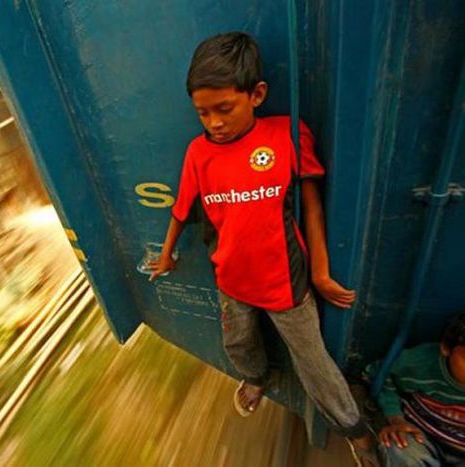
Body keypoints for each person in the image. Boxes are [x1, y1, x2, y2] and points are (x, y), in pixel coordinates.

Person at [148, 32, 377, 466]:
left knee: (315, 365)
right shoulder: (198, 153)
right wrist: (166, 254)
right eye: (203, 113)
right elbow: (181, 209)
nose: (214, 122)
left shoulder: (287, 135)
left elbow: (311, 205)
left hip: (286, 285)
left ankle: (356, 431)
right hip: (231, 280)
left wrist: (321, 273)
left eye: (224, 109)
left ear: (257, 95)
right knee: (238, 341)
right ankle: (256, 377)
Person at [366, 314, 465, 466]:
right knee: (398, 444)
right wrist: (396, 419)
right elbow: (378, 374)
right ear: (446, 348)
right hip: (421, 436)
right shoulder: (419, 363)